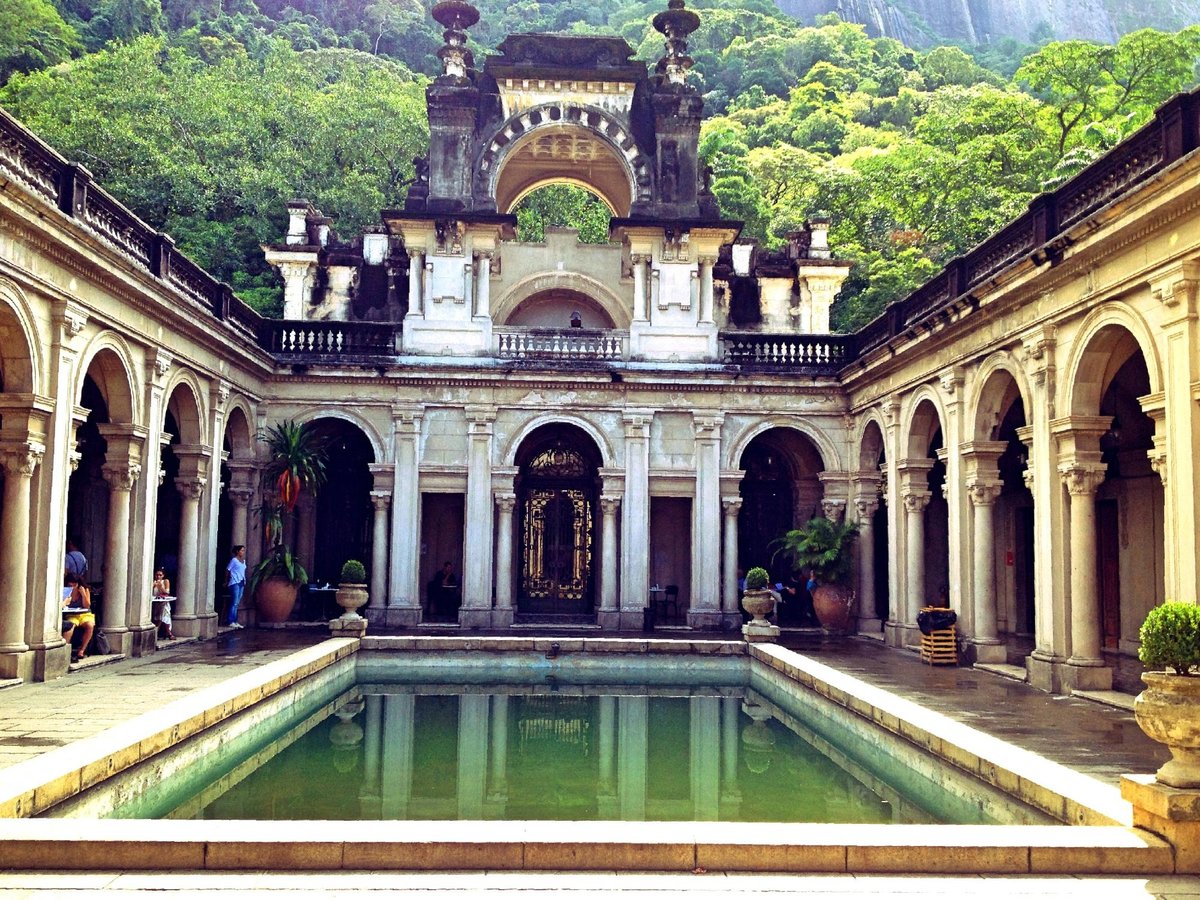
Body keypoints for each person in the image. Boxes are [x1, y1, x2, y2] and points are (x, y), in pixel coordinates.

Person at [62, 575, 95, 662]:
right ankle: (65, 647)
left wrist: (83, 594)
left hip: (85, 614)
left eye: (74, 584)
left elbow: (87, 605)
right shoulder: (66, 592)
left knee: (90, 625)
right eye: (70, 585)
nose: (72, 587)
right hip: (72, 614)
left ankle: (82, 650)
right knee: (70, 626)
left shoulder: (84, 589)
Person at [224, 545, 247, 629]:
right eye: (241, 550)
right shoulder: (234, 560)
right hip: (234, 582)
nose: (243, 552)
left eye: (243, 550)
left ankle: (235, 621)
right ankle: (230, 621)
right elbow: (228, 570)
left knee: (237, 603)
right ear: (237, 551)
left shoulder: (243, 561)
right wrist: (226, 581)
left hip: (241, 582)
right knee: (234, 602)